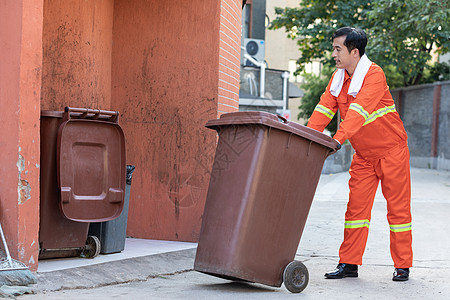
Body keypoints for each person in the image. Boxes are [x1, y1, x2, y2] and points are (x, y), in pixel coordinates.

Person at [307, 27, 413, 281]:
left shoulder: (374, 75)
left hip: (392, 152)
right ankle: (349, 264)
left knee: (398, 212)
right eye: (333, 48)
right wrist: (308, 138)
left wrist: (336, 140)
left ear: (354, 52)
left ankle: (402, 265)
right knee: (355, 211)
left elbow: (359, 113)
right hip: (364, 156)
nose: (333, 53)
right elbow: (324, 109)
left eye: (337, 49)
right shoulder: (338, 78)